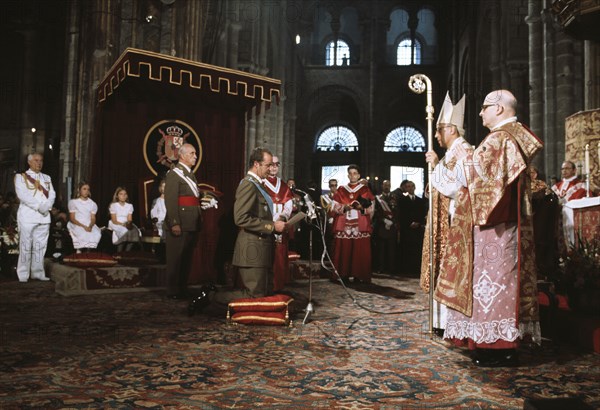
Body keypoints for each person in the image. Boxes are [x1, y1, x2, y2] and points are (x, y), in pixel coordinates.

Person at [443, 89, 543, 367]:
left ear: (499, 109)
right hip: (508, 220)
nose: (480, 112)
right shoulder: (515, 135)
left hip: (495, 223)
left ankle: (495, 346)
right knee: (504, 280)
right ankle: (500, 343)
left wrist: (459, 159)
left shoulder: (500, 138)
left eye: (485, 107)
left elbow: (477, 176)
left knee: (494, 283)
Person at [422, 92, 473, 336]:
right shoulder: (451, 152)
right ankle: (442, 322)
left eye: (439, 129)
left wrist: (435, 166)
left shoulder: (463, 150)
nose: (435, 135)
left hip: (454, 221)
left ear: (451, 129)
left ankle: (449, 323)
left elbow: (455, 187)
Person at [212, 147, 286, 304]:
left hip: (263, 246)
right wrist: (271, 226)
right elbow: (241, 218)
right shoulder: (248, 184)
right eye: (267, 165)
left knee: (266, 292)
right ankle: (210, 297)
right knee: (255, 295)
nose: (271, 169)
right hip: (253, 247)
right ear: (256, 164)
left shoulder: (259, 185)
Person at [164, 144, 203, 299]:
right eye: (192, 153)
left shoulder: (190, 174)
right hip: (180, 222)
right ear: (183, 155)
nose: (195, 156)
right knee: (175, 259)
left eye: (195, 153)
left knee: (186, 258)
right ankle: (173, 290)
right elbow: (171, 200)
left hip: (191, 222)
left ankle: (182, 288)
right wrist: (174, 222)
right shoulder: (174, 174)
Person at [14, 152, 56, 282]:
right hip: (28, 216)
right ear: (29, 162)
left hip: (43, 217)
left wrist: (48, 205)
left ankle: (37, 272)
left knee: (40, 246)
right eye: (36, 160)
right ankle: (23, 274)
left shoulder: (47, 177)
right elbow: (23, 195)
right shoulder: (20, 177)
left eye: (41, 160)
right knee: (26, 246)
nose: (39, 163)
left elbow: (52, 194)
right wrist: (40, 206)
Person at [330, 164, 375, 284]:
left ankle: (358, 274)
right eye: (350, 173)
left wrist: (361, 208)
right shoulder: (341, 189)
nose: (352, 176)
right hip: (345, 222)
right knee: (344, 248)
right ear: (347, 175)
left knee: (359, 249)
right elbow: (334, 206)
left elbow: (371, 208)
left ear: (359, 175)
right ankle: (343, 274)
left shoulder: (365, 190)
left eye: (355, 173)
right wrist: (344, 207)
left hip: (359, 224)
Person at [263, 155, 294, 291]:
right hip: (266, 222)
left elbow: (288, 204)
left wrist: (282, 216)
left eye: (277, 164)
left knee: (279, 255)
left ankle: (278, 286)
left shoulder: (283, 184)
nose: (274, 167)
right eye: (272, 164)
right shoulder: (261, 183)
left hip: (280, 224)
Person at [551, 160, 587, 249]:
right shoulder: (556, 187)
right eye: (562, 169)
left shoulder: (580, 185)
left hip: (572, 219)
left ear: (574, 170)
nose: (564, 171)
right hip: (556, 217)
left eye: (567, 168)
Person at [397, 179, 427, 275]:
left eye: (411, 186)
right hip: (407, 229)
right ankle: (407, 270)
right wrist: (409, 223)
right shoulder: (401, 200)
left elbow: (423, 214)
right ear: (405, 188)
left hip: (417, 229)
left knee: (417, 250)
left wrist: (418, 223)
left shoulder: (420, 201)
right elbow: (401, 215)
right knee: (406, 250)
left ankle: (416, 270)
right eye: (408, 187)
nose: (410, 188)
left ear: (415, 187)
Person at [67, 182, 102, 252]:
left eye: (88, 189)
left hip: (88, 223)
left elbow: (93, 218)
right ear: (79, 190)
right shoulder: (73, 202)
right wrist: (84, 227)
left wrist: (90, 226)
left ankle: (87, 254)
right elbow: (72, 218)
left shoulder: (92, 204)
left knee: (96, 233)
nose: (86, 191)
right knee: (82, 233)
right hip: (76, 223)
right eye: (84, 189)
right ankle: (79, 252)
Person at [373, 179, 398, 274]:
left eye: (388, 185)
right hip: (381, 227)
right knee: (381, 249)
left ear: (390, 186)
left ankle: (391, 268)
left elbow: (398, 212)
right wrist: (384, 220)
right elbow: (375, 212)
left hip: (392, 226)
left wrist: (392, 221)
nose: (386, 186)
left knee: (391, 249)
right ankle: (381, 268)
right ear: (382, 186)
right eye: (385, 185)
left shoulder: (394, 197)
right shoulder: (378, 198)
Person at [108, 187, 142, 252]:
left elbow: (129, 219)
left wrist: (128, 224)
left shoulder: (129, 206)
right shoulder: (113, 205)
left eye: (125, 194)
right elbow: (114, 220)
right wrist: (122, 224)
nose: (123, 196)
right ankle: (119, 253)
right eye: (121, 194)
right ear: (117, 196)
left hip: (126, 222)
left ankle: (126, 253)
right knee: (124, 232)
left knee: (135, 231)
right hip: (116, 223)